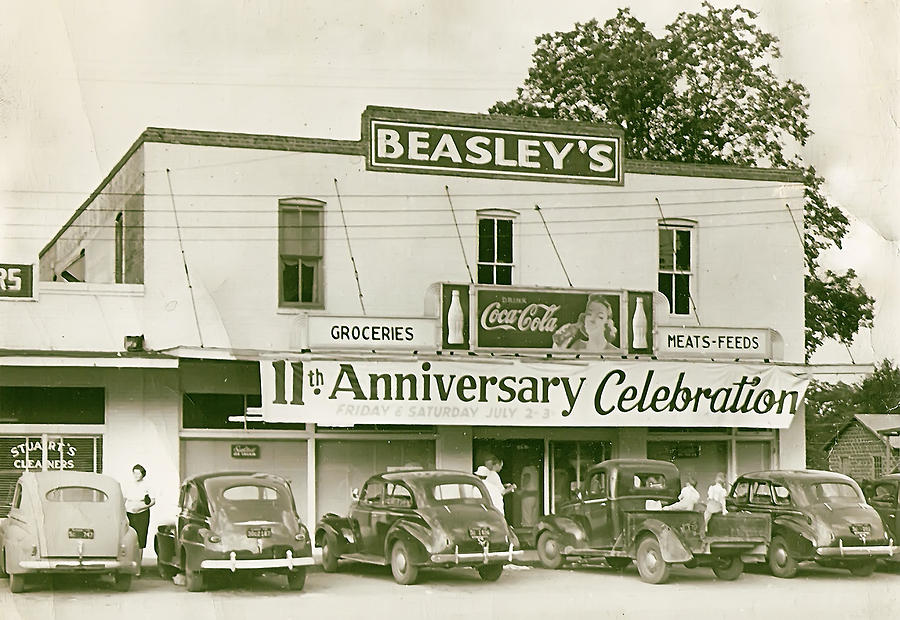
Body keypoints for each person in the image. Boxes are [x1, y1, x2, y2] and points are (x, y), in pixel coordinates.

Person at [552, 295, 618, 352]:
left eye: (600, 317)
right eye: (589, 314)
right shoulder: (577, 346)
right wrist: (559, 346)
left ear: (606, 323)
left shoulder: (615, 352)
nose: (592, 319)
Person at [124, 464, 155, 576]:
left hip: (142, 514)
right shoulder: (129, 485)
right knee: (129, 538)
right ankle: (129, 566)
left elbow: (152, 501)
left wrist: (141, 507)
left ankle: (138, 568)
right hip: (130, 513)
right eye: (134, 473)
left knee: (140, 540)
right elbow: (124, 499)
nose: (136, 475)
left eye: (138, 473)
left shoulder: (147, 485)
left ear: (143, 474)